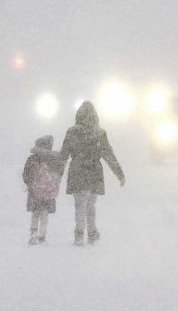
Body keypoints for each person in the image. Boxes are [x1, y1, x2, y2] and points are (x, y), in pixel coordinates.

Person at [60, 100, 125, 246]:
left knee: (79, 205)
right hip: (94, 172)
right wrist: (119, 173)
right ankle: (91, 232)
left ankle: (79, 234)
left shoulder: (71, 132)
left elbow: (63, 155)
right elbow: (109, 155)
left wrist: (57, 175)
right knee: (90, 205)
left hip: (77, 172)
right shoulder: (100, 133)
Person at [21, 134, 65, 245]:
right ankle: (42, 234)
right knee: (45, 212)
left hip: (34, 190)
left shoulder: (32, 158)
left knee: (35, 212)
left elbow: (25, 173)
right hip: (48, 191)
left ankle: (33, 233)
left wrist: (29, 183)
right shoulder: (55, 159)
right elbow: (60, 173)